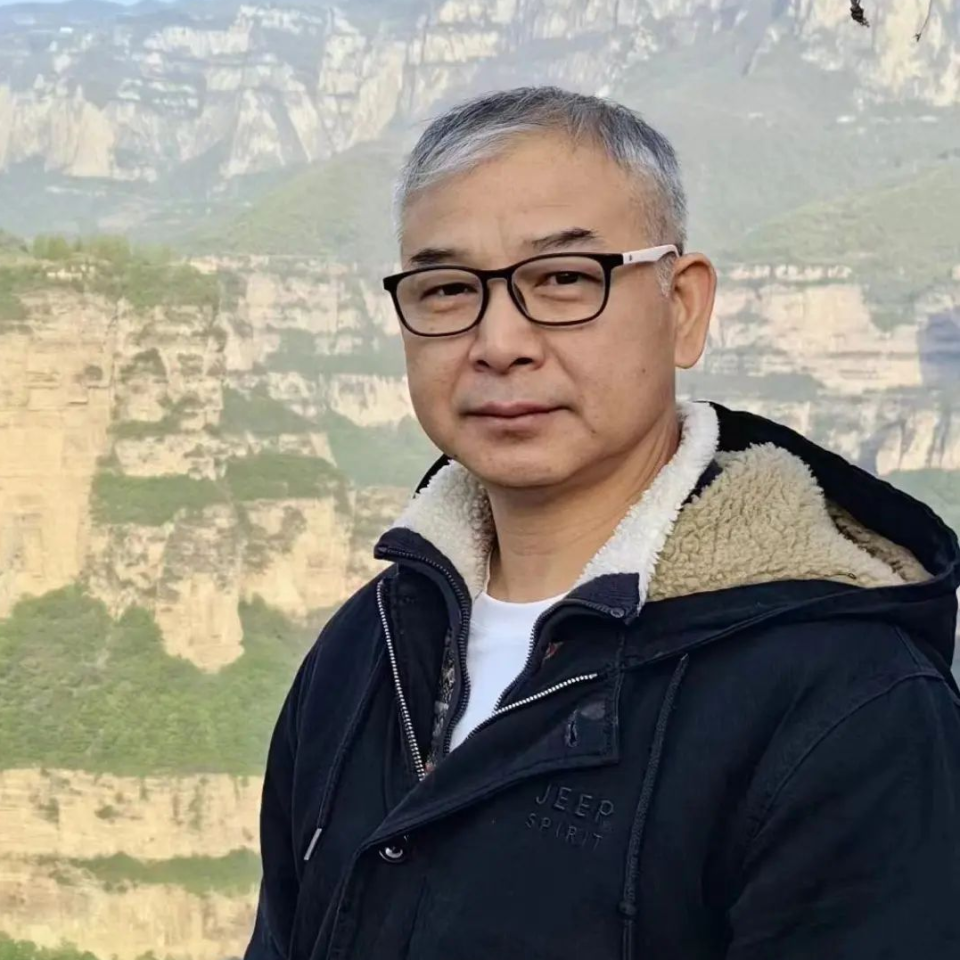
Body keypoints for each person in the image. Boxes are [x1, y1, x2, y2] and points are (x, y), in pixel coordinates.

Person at [242, 86, 960, 960]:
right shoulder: (368, 650)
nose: (499, 342)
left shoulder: (848, 701)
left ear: (683, 307)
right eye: (447, 289)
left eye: (563, 280)